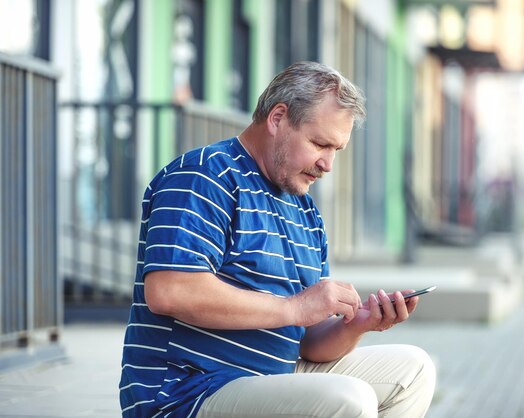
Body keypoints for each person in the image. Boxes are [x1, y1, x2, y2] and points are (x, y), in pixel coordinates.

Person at [119, 61, 436, 418]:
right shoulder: (204, 176)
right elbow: (169, 291)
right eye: (320, 143)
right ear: (277, 118)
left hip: (272, 378)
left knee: (414, 369)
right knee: (349, 399)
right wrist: (295, 307)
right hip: (189, 393)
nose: (328, 164)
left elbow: (309, 343)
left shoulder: (306, 212)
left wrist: (359, 324)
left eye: (337, 150)